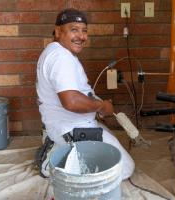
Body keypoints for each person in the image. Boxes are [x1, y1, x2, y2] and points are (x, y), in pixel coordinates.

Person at [36, 8, 135, 180]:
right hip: (71, 129)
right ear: (58, 31)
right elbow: (72, 101)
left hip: (70, 124)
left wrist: (95, 104)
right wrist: (102, 106)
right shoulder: (61, 58)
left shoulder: (57, 52)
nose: (81, 36)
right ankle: (52, 162)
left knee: (108, 139)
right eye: (74, 29)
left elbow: (75, 93)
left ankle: (59, 145)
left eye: (84, 31)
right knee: (125, 168)